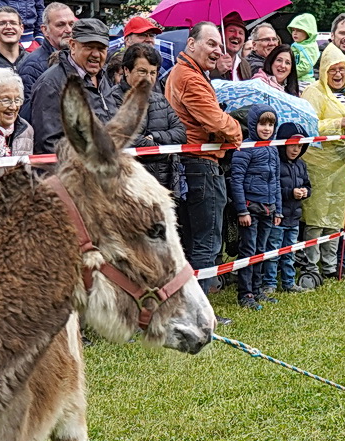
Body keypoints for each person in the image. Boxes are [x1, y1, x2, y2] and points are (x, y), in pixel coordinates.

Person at [164, 21, 243, 290]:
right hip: (201, 165)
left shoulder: (188, 73)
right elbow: (217, 123)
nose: (217, 50)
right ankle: (201, 311)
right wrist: (237, 130)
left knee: (195, 241)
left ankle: (190, 306)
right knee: (206, 242)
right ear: (191, 44)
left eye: (219, 45)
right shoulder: (189, 76)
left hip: (194, 165)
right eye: (211, 43)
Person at [297, 43, 345, 287]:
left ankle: (330, 266)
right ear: (323, 71)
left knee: (338, 217)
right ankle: (310, 265)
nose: (338, 75)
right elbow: (308, 125)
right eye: (332, 70)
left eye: (342, 69)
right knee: (317, 217)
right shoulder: (313, 92)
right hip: (320, 165)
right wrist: (339, 123)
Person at [29, 18, 116, 156]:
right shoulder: (51, 84)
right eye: (89, 47)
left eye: (101, 49)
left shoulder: (102, 77)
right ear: (72, 45)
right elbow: (49, 144)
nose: (95, 54)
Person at [111, 42, 184, 193]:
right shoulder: (112, 98)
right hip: (128, 185)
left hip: (163, 185)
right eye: (142, 72)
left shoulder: (160, 99)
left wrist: (155, 136)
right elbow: (126, 139)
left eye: (153, 73)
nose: (149, 79)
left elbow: (181, 134)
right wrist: (162, 150)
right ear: (126, 70)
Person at [230, 109, 280, 309]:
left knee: (261, 251)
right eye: (262, 124)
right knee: (248, 251)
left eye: (270, 125)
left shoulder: (274, 149)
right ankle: (245, 293)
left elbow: (276, 181)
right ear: (253, 125)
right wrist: (242, 210)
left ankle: (257, 290)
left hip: (269, 208)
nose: (267, 129)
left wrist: (278, 210)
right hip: (251, 208)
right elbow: (236, 181)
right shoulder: (245, 148)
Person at [268, 122, 309, 293]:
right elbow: (273, 188)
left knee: (290, 253)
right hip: (279, 216)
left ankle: (289, 283)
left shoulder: (301, 165)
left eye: (300, 146)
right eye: (292, 145)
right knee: (273, 252)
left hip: (294, 217)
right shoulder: (276, 163)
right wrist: (290, 193)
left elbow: (308, 184)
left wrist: (305, 191)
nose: (296, 149)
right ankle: (269, 284)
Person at [17, 3, 77, 109]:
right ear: (45, 30)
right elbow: (28, 112)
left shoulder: (79, 60)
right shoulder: (32, 66)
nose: (68, 30)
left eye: (71, 24)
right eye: (60, 25)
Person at [287, 13, 320, 83]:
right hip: (294, 79)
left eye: (299, 30)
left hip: (304, 81)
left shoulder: (309, 47)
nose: (295, 33)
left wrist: (288, 74)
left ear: (308, 32)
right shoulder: (297, 45)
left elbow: (305, 67)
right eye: (293, 30)